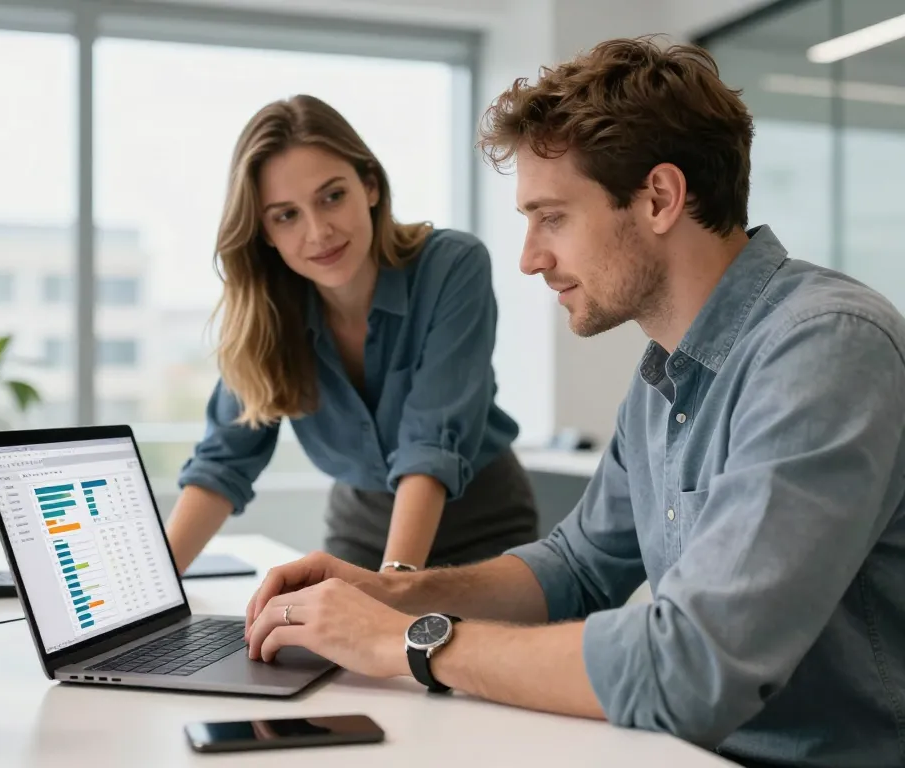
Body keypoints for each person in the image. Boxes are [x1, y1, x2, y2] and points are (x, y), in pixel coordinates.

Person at [241, 37, 905, 768]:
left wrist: (407, 641)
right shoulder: (663, 375)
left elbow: (691, 667)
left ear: (658, 198)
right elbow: (578, 567)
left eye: (551, 217)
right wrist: (391, 596)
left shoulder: (827, 348)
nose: (529, 257)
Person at [166, 95, 539, 576]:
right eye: (286, 215)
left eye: (332, 196)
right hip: (360, 534)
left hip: (485, 532)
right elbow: (223, 464)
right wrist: (151, 597)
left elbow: (431, 447)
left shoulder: (451, 266)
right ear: (264, 231)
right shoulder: (268, 316)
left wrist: (391, 591)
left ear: (369, 186)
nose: (318, 232)